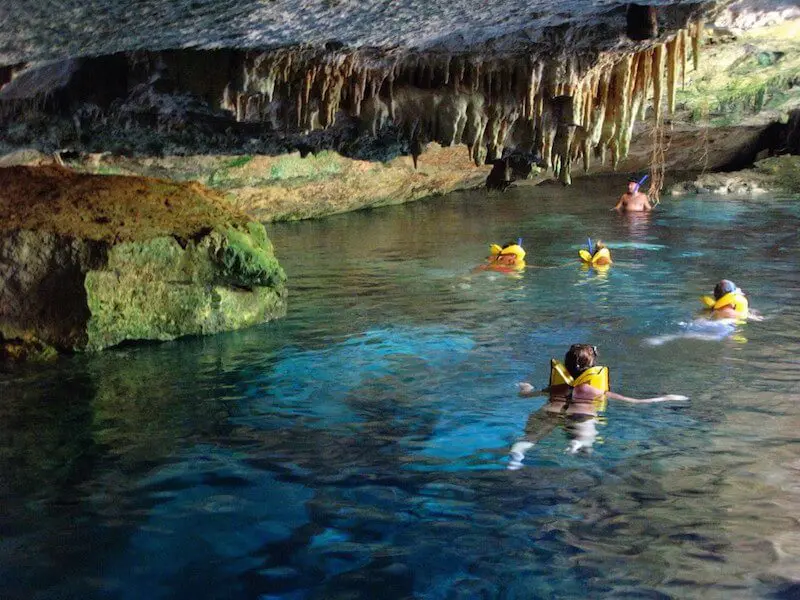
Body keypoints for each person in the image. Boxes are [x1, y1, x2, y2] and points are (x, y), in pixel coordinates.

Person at [508, 344, 687, 467]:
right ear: (592, 366)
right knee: (585, 440)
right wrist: (667, 397)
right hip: (581, 416)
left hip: (550, 411)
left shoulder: (555, 387)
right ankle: (576, 445)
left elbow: (525, 396)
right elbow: (636, 402)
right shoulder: (595, 391)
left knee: (529, 439)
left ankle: (516, 458)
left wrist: (526, 387)